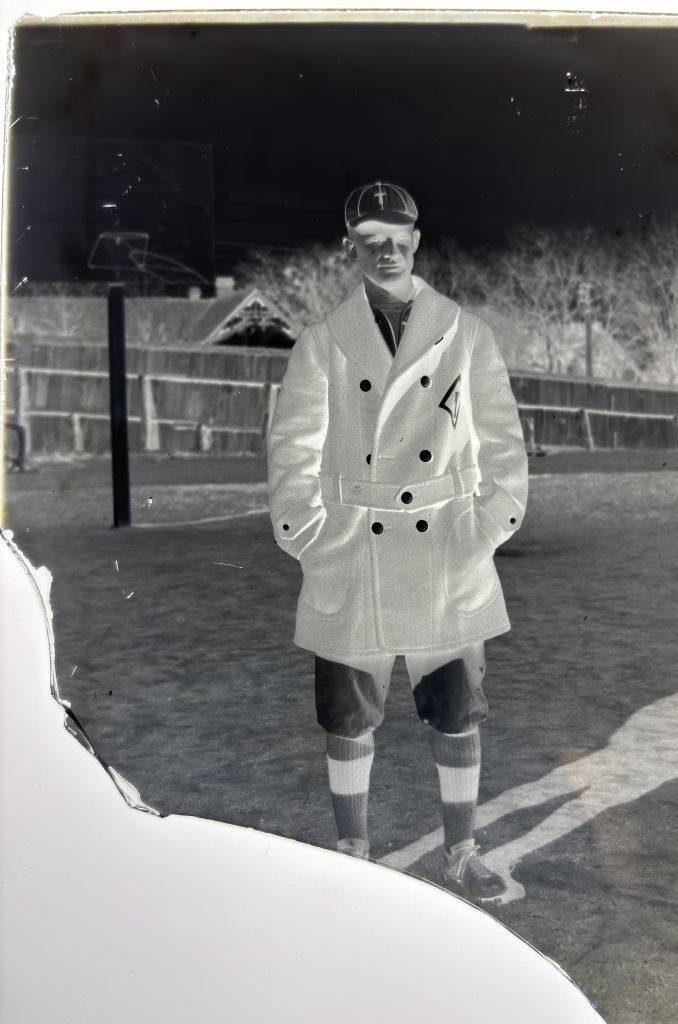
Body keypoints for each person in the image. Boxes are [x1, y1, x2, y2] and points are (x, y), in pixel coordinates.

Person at [267, 181, 528, 901]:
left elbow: (504, 446)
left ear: (418, 239)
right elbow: (291, 450)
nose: (386, 250)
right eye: (370, 239)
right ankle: (352, 852)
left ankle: (461, 851)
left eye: (398, 236)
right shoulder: (323, 343)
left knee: (455, 708)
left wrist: (483, 532)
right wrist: (312, 539)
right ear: (351, 246)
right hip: (352, 549)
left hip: (445, 547)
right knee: (348, 715)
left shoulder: (465, 333)